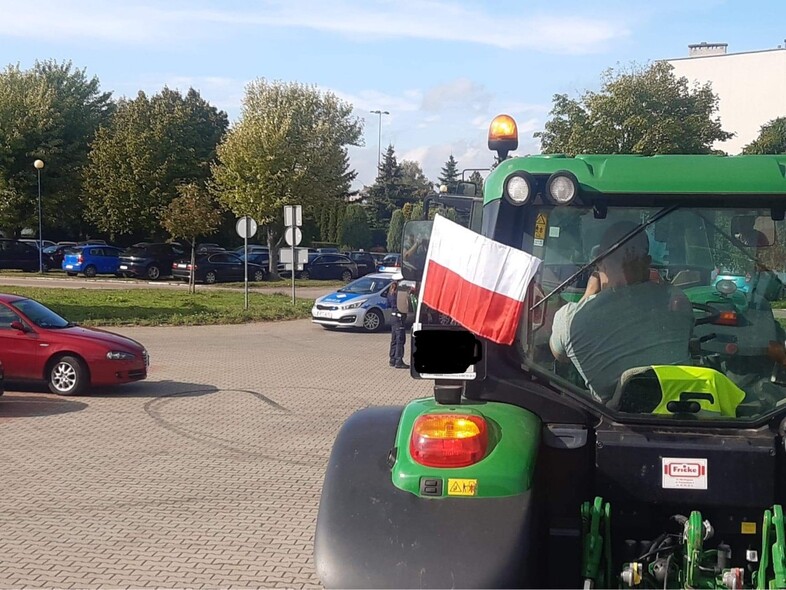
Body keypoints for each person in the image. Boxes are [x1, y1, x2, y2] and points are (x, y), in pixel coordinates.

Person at [549, 221, 695, 401]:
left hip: (614, 421)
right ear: (647, 263)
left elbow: (559, 355)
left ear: (599, 262)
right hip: (683, 411)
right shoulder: (676, 300)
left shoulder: (570, 319)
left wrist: (587, 296)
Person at [387, 280, 409, 368]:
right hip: (399, 318)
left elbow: (388, 304)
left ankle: (392, 359)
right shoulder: (399, 294)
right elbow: (405, 305)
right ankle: (398, 360)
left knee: (394, 339)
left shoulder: (390, 293)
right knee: (400, 340)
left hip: (393, 317)